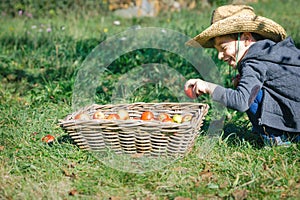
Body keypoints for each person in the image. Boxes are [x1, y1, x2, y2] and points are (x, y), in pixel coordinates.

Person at [184, 4, 300, 146]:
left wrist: (208, 87)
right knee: (250, 89)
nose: (220, 56)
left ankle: (278, 137)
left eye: (223, 47)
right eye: (217, 50)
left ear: (246, 38)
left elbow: (241, 102)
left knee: (248, 95)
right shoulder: (273, 53)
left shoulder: (253, 62)